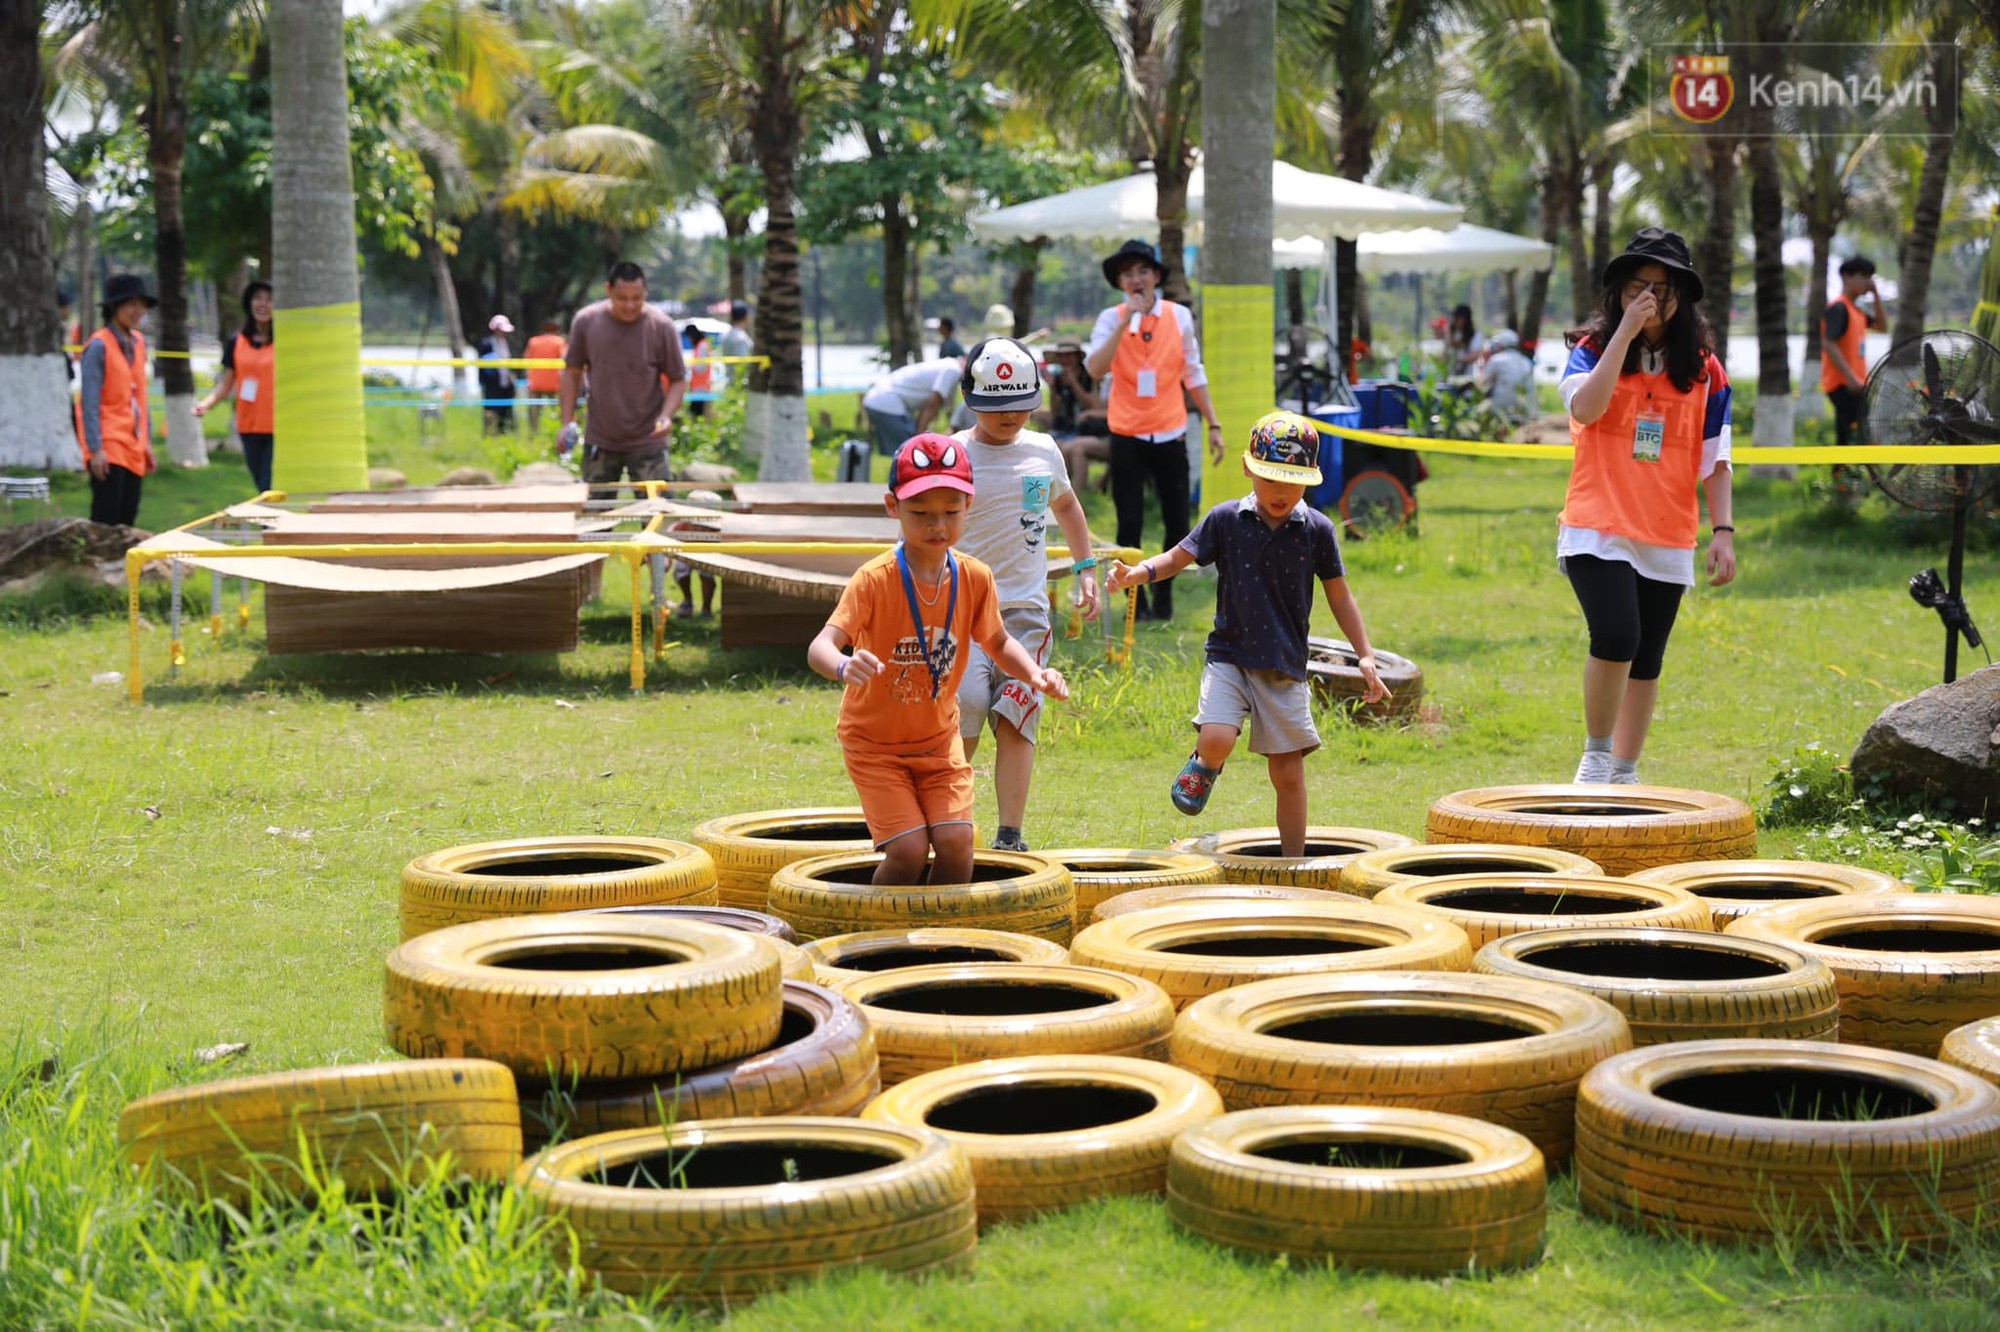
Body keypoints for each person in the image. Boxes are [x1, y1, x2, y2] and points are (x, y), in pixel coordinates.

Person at [1105, 412, 1387, 855]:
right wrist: (1136, 574)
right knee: (1216, 736)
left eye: (1293, 483)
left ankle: (1294, 861)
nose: (1281, 492)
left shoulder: (1317, 530)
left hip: (1284, 664)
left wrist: (1365, 654)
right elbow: (1179, 558)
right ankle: (1205, 763)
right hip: (1230, 656)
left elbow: (1339, 596)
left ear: (1310, 481)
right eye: (1271, 479)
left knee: (1288, 773)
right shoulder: (1225, 520)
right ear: (1247, 469)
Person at [806, 434, 1071, 885]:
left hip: (937, 744)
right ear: (893, 507)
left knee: (956, 845)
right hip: (877, 747)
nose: (938, 525)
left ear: (969, 503)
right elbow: (821, 646)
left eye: (951, 512)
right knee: (908, 851)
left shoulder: (975, 576)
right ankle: (873, 931)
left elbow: (998, 640)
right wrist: (844, 665)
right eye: (922, 513)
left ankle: (939, 939)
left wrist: (1035, 673)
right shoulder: (874, 579)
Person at [1559, 227, 1736, 786]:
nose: (1652, 297)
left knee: (1647, 656)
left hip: (1667, 531)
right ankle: (1595, 756)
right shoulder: (1590, 350)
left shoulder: (1707, 370)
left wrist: (1724, 531)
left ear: (1682, 296)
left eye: (1664, 287)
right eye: (1640, 285)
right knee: (1616, 636)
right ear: (1618, 292)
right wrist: (1625, 335)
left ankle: (1626, 772)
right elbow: (1586, 409)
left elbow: (1716, 458)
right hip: (1598, 524)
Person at [950, 338, 1102, 853]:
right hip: (960, 612)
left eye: (1019, 405)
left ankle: (1010, 834)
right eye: (996, 407)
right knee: (966, 705)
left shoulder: (1043, 450)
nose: (1009, 416)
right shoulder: (953, 453)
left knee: (1016, 715)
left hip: (1026, 612)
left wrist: (1085, 569)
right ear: (970, 399)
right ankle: (952, 822)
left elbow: (1069, 508)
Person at [1084, 238, 1225, 622]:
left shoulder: (1178, 317)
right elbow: (1095, 369)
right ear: (1120, 283)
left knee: (1178, 521)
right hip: (1126, 433)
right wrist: (1127, 319)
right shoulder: (1109, 319)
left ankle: (1163, 597)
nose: (1136, 279)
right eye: (1128, 274)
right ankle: (1135, 602)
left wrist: (1213, 424)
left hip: (1170, 431)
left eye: (1143, 271)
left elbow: (1193, 372)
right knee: (1129, 521)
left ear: (1156, 276)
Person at [558, 262, 689, 488]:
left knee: (658, 513)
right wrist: (566, 422)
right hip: (601, 438)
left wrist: (667, 416)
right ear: (608, 290)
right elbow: (571, 373)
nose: (630, 305)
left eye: (637, 298)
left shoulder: (662, 326)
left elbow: (678, 379)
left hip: (649, 439)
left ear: (645, 293)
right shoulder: (586, 322)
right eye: (622, 298)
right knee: (594, 519)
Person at [76, 273, 157, 527]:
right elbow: (88, 402)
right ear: (114, 306)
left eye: (141, 304)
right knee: (106, 516)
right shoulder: (98, 345)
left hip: (133, 442)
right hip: (109, 441)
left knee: (128, 515)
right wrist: (95, 449)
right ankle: (97, 564)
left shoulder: (138, 342)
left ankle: (122, 566)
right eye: (131, 304)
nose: (138, 311)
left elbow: (141, 395)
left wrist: (147, 442)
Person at [194, 281, 276, 492]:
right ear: (249, 303)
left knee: (268, 485)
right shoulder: (237, 342)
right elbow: (226, 383)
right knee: (260, 484)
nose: (263, 304)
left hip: (277, 427)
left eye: (269, 299)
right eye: (258, 298)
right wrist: (206, 404)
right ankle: (272, 524)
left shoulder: (284, 341)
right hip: (248, 426)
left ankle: (271, 525)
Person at [1821, 256, 1887, 448]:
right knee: (1852, 438)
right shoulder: (1839, 308)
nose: (1869, 282)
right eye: (1864, 276)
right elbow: (1829, 344)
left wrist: (1876, 295)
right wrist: (1850, 378)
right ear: (1847, 278)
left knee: (1855, 437)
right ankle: (1843, 475)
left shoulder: (1855, 311)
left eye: (1871, 277)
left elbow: (1882, 327)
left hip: (1856, 383)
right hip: (1843, 384)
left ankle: (1848, 475)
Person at [1037, 341, 1111, 491]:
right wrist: (1053, 388)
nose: (1066, 360)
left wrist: (1074, 384)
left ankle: (1074, 492)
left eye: (1069, 355)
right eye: (1062, 356)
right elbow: (1055, 411)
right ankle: (1054, 490)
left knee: (1067, 448)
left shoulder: (1089, 377)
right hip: (1064, 428)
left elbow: (1093, 407)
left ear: (1077, 357)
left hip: (1085, 429)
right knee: (1045, 446)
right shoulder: (1057, 379)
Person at [860, 356, 963, 462]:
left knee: (895, 454)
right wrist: (919, 436)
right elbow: (932, 405)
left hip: (876, 400)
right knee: (909, 453)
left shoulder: (948, 364)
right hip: (887, 403)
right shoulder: (953, 369)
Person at [670, 488, 724, 617]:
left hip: (708, 556)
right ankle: (687, 601)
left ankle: (707, 607)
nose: (701, 528)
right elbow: (670, 537)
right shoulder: (682, 526)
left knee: (707, 575)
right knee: (681, 570)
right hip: (686, 554)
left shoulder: (719, 528)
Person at [1478, 328, 1536, 423]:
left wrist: (1482, 366)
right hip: (1523, 408)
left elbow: (1484, 382)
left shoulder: (1496, 360)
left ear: (1501, 345)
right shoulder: (1525, 361)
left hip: (1499, 408)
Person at [523, 317, 567, 436]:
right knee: (557, 409)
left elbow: (526, 359)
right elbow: (564, 360)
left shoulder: (533, 341)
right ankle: (557, 433)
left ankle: (533, 433)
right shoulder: (560, 342)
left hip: (535, 382)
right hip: (554, 383)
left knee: (534, 411)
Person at [478, 314, 517, 435]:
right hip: (492, 383)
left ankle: (503, 432)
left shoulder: (506, 343)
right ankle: (489, 433)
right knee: (491, 409)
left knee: (505, 409)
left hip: (506, 382)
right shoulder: (487, 344)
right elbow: (483, 365)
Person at [683, 323, 713, 420]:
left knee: (697, 414)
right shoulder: (701, 344)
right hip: (699, 385)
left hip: (701, 386)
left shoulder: (702, 345)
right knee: (697, 412)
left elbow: (701, 367)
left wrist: (690, 366)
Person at [1445, 304, 1483, 378]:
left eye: (1461, 319)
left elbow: (1476, 355)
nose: (1458, 322)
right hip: (1451, 374)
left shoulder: (1475, 335)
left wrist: (1458, 359)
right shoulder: (1453, 333)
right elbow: (1448, 350)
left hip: (1468, 375)